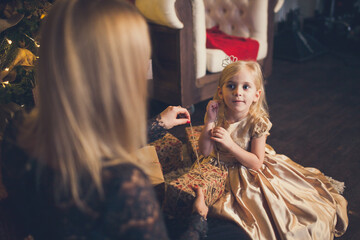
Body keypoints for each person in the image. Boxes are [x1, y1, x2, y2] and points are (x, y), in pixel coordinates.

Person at [0, 0, 208, 239]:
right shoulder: (124, 188)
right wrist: (198, 223)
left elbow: (87, 142)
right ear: (116, 75)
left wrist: (158, 124)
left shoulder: (18, 128)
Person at [198, 60, 349, 239]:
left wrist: (230, 144)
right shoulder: (218, 114)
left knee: (258, 210)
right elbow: (205, 152)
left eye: (246, 87)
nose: (238, 92)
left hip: (246, 169)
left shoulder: (256, 122)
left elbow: (256, 163)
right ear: (220, 92)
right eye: (231, 86)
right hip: (218, 169)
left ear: (256, 94)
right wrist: (209, 122)